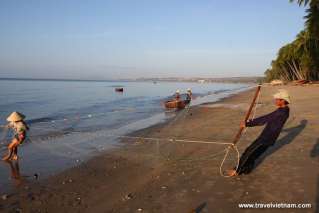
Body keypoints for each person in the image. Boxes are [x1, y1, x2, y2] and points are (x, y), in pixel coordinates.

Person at [227, 89, 291, 176]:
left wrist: (247, 124)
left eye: (277, 99)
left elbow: (264, 119)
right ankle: (246, 169)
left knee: (249, 151)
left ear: (283, 100)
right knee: (255, 154)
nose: (275, 101)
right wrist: (249, 122)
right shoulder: (285, 110)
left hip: (266, 137)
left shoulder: (281, 112)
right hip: (270, 138)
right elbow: (271, 119)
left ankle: (237, 170)